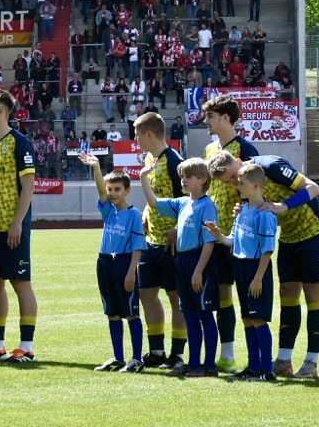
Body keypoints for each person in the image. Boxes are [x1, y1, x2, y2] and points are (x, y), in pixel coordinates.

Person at [208, 151, 319, 379]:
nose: (233, 184)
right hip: (288, 238)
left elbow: (313, 188)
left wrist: (283, 205)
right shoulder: (245, 187)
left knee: (313, 295)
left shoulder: (270, 166)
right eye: (228, 182)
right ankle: (283, 360)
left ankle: (311, 361)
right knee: (288, 294)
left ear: (239, 163)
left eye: (233, 178)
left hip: (312, 231)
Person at [139, 157, 219, 377]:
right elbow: (154, 203)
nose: (183, 180)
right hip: (181, 261)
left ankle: (209, 365)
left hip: (198, 261)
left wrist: (198, 271)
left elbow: (209, 242)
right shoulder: (183, 203)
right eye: (182, 176)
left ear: (202, 179)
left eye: (188, 176)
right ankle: (192, 363)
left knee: (204, 314)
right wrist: (143, 177)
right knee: (190, 315)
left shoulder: (207, 206)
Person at [0, 88, 38, 362]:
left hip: (12, 227)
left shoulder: (19, 142)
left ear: (0, 111)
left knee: (20, 283)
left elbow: (29, 185)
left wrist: (17, 223)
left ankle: (27, 347)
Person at [205, 163, 278, 381]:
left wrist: (258, 278)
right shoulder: (243, 210)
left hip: (256, 269)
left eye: (242, 183)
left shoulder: (265, 214)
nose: (238, 187)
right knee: (247, 319)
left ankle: (266, 369)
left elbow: (267, 250)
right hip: (241, 267)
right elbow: (232, 241)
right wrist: (218, 235)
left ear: (255, 185)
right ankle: (253, 366)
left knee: (259, 319)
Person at [201, 94, 258, 371]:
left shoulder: (245, 149)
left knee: (248, 298)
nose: (206, 121)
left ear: (225, 118)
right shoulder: (209, 150)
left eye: (210, 116)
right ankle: (227, 355)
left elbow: (257, 189)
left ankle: (257, 359)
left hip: (242, 237)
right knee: (222, 295)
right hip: (216, 236)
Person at [78, 153, 145, 373]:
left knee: (131, 312)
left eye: (117, 189)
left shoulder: (134, 214)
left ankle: (137, 359)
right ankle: (118, 358)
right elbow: (100, 191)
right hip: (105, 262)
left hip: (124, 263)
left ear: (127, 191)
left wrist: (131, 271)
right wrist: (96, 168)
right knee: (112, 312)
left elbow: (137, 245)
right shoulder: (108, 211)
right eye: (110, 189)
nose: (112, 193)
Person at [134, 113, 188, 369]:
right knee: (146, 294)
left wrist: (178, 228)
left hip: (172, 243)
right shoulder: (149, 159)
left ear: (149, 134)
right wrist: (146, 213)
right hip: (151, 240)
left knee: (175, 298)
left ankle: (177, 354)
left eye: (137, 134)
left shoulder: (174, 161)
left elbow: (189, 200)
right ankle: (156, 350)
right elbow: (154, 196)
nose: (135, 139)